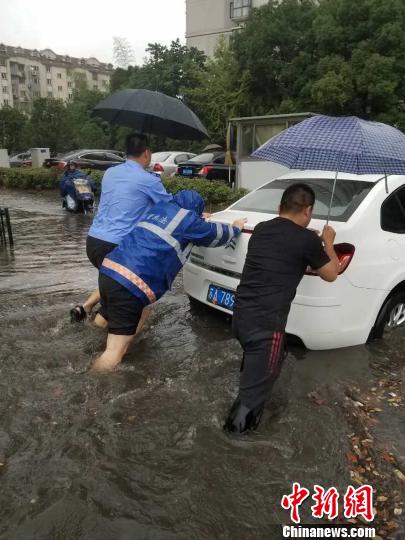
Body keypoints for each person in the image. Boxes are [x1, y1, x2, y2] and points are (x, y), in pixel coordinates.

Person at [223, 183, 340, 434]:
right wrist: (328, 242)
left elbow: (283, 251)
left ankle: (252, 386)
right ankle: (235, 444)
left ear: (280, 208)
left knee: (263, 366)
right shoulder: (307, 239)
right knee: (250, 400)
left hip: (241, 317)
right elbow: (331, 274)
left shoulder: (263, 230)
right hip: (266, 329)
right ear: (308, 211)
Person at [91, 190, 247, 372]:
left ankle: (91, 342)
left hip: (109, 271)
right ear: (194, 212)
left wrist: (198, 218)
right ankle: (95, 387)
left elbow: (177, 224)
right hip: (131, 285)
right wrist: (236, 227)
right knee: (116, 351)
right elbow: (217, 234)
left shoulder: (160, 209)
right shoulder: (190, 222)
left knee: (111, 316)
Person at [70, 133, 172, 323]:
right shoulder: (148, 180)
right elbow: (170, 208)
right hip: (116, 248)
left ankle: (84, 307)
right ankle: (103, 340)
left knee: (112, 281)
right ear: (147, 153)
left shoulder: (110, 172)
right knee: (137, 296)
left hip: (93, 242)